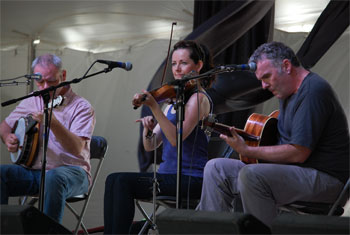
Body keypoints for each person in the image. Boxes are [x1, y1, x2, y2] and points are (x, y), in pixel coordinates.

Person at [197, 41, 349, 227]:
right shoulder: (286, 93)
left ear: (286, 66)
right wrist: (248, 139)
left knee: (252, 175)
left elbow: (298, 152)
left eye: (266, 76)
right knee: (216, 169)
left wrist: (248, 151)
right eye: (260, 79)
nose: (263, 86)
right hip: (296, 172)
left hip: (326, 180)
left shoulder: (312, 92)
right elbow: (283, 143)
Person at [104, 40, 215, 234]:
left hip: (190, 179)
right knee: (112, 179)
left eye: (183, 63)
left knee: (122, 181)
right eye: (173, 63)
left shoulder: (199, 98)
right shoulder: (173, 101)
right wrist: (148, 129)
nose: (177, 69)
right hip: (166, 176)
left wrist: (155, 107)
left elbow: (176, 140)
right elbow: (151, 145)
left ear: (198, 65)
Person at [0, 54, 96, 223]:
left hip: (72, 173)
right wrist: (8, 137)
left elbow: (76, 149)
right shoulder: (33, 99)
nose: (44, 87)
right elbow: (4, 126)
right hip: (35, 172)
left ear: (63, 75)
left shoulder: (82, 107)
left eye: (51, 82)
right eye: (40, 82)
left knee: (54, 178)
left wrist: (52, 123)